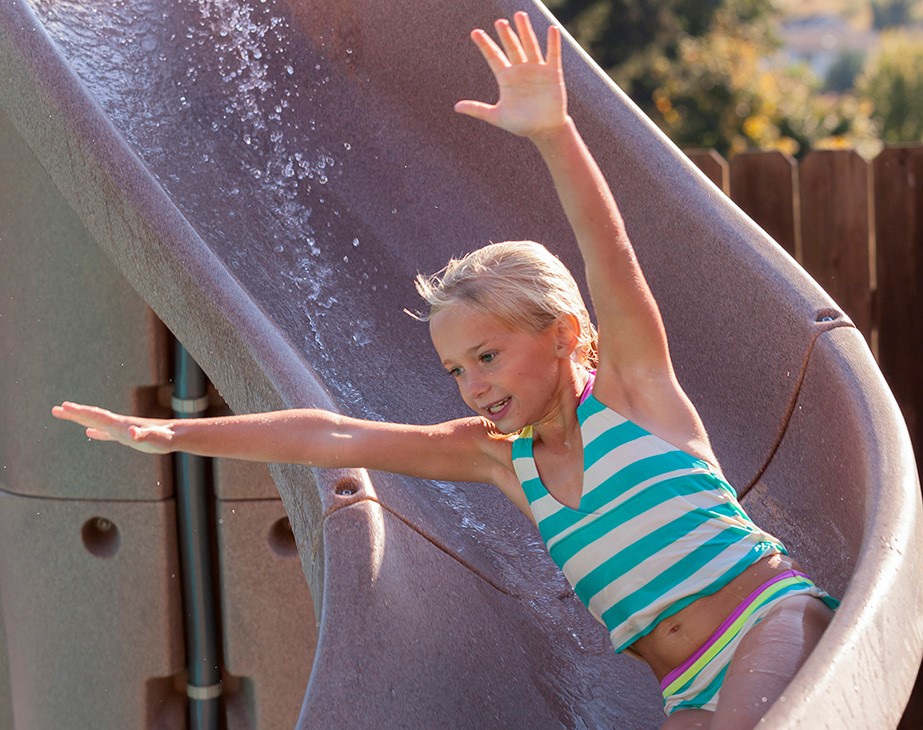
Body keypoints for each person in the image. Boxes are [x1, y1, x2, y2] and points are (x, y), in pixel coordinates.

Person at [53, 12, 837, 728]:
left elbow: (611, 255)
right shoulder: (500, 462)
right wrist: (175, 432)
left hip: (767, 619)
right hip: (684, 688)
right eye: (457, 371)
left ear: (564, 335)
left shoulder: (637, 398)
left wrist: (555, 133)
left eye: (487, 356)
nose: (473, 387)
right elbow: (332, 435)